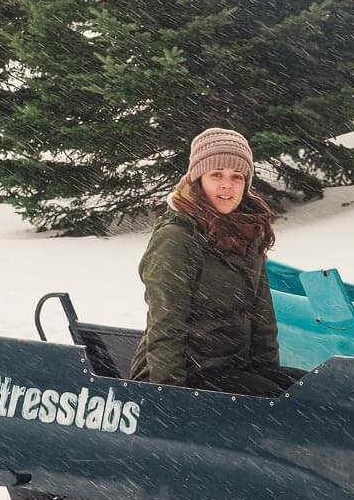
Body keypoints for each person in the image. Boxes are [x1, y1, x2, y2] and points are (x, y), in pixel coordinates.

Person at [129, 127, 303, 397]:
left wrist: (270, 375)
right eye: (216, 175)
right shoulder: (177, 237)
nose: (227, 185)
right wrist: (168, 395)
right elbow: (166, 324)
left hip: (232, 368)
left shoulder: (248, 232)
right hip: (185, 373)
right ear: (198, 180)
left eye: (237, 177)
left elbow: (262, 320)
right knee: (278, 400)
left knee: (309, 391)